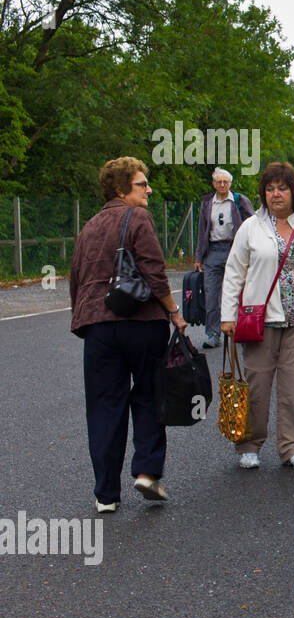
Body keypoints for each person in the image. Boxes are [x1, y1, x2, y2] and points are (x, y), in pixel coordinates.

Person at [69, 156, 186, 512]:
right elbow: (154, 271)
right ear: (122, 189)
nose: (149, 190)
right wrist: (174, 312)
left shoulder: (88, 226)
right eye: (142, 184)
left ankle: (105, 494)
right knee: (149, 394)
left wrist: (88, 317)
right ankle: (147, 472)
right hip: (142, 321)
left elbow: (76, 280)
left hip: (98, 328)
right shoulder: (138, 217)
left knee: (105, 406)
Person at [221, 162, 294, 470]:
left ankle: (292, 446)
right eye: (270, 189)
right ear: (263, 193)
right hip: (259, 317)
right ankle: (249, 445)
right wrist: (227, 315)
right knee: (257, 386)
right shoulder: (250, 227)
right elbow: (234, 272)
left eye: (282, 188)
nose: (276, 194)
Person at [195, 168, 254, 348]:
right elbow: (201, 231)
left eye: (225, 182)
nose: (222, 185)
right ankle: (213, 334)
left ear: (230, 183)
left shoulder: (239, 201)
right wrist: (199, 256)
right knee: (211, 294)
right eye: (219, 182)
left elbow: (252, 223)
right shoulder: (207, 203)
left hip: (234, 250)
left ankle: (241, 329)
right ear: (213, 184)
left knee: (239, 292)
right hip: (213, 251)